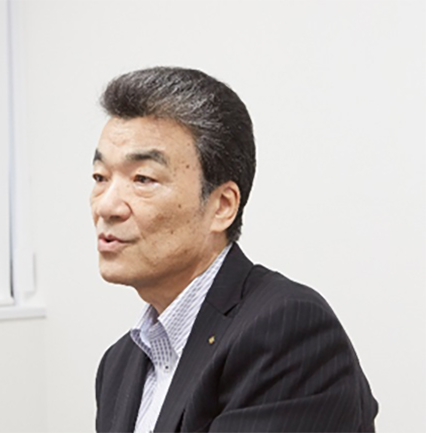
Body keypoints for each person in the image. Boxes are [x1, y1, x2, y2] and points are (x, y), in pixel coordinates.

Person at [91, 66, 378, 433]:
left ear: (222, 206)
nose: (106, 206)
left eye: (143, 178)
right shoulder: (119, 365)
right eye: (100, 177)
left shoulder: (284, 331)